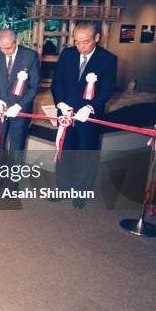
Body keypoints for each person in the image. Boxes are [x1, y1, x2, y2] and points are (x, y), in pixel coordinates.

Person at [51, 22, 117, 207]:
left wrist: (90, 107)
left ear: (96, 38)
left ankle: (81, 192)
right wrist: (60, 103)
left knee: (86, 153)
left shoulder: (107, 59)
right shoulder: (67, 54)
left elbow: (106, 90)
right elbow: (57, 82)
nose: (80, 47)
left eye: (85, 42)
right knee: (64, 151)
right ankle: (62, 188)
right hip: (66, 113)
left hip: (89, 115)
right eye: (77, 42)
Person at [0, 28, 41, 191]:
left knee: (17, 147)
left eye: (8, 48)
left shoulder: (30, 56)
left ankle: (12, 185)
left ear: (17, 42)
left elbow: (34, 85)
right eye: (1, 48)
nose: (5, 52)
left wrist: (19, 105)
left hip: (19, 111)